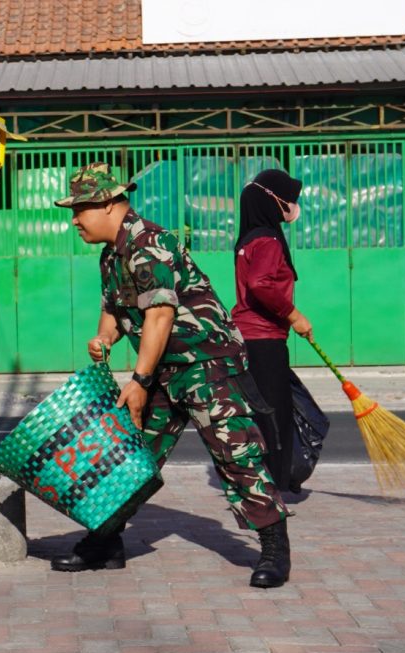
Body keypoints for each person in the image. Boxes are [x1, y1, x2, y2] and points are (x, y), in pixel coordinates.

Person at [52, 162, 292, 589]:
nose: (74, 220)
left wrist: (139, 382)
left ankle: (275, 548)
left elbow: (160, 315)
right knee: (129, 457)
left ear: (109, 204)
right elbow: (113, 308)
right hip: (162, 364)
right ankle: (106, 543)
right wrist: (104, 340)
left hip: (205, 364)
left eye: (81, 209)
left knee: (235, 455)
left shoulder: (150, 243)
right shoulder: (112, 255)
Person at [233, 169, 313, 494]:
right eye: (288, 200)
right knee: (274, 417)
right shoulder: (267, 240)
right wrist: (294, 315)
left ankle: (260, 483)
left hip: (248, 339)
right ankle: (271, 490)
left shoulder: (248, 240)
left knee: (260, 413)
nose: (292, 206)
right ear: (272, 201)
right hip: (263, 340)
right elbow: (260, 284)